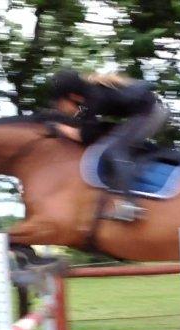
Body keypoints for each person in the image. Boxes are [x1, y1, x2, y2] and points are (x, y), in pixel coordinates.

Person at [47, 69, 169, 221]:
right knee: (112, 141)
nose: (59, 109)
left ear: (71, 96)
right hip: (143, 111)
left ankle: (130, 205)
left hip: (151, 113)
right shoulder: (88, 96)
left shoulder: (94, 97)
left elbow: (87, 135)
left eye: (59, 104)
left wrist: (60, 128)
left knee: (113, 150)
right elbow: (88, 126)